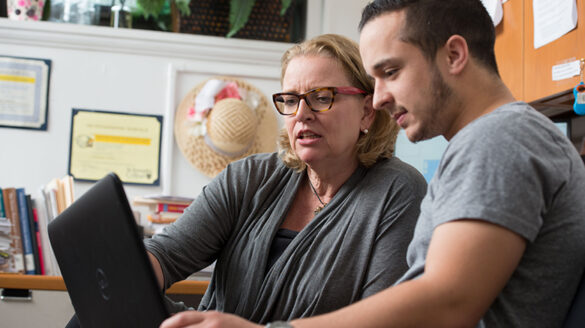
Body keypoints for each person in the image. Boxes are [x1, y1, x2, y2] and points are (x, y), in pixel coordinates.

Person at [159, 1, 585, 327]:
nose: (378, 98)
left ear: (455, 55)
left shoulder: (499, 139)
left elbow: (447, 301)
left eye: (391, 71)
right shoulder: (489, 141)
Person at [146, 33, 427, 326]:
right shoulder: (248, 177)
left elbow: (382, 321)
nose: (302, 114)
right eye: (291, 100)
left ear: (367, 112)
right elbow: (164, 255)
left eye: (322, 98)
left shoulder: (399, 191)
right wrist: (120, 271)